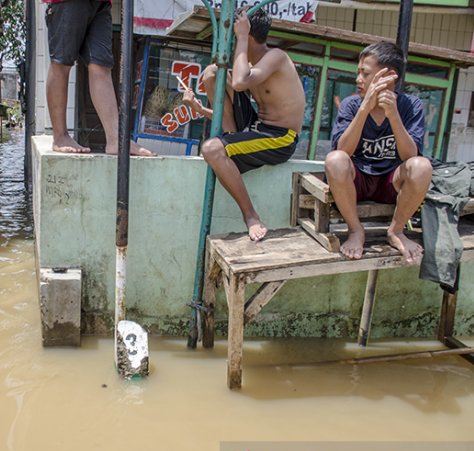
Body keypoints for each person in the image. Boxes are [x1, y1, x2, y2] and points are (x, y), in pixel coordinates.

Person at [182, 8, 305, 241]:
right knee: (211, 74)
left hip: (280, 137)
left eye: (233, 34)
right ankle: (229, 138)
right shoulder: (249, 62)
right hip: (256, 128)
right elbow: (231, 83)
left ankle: (251, 216)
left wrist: (240, 37)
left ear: (246, 33)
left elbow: (239, 82)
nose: (228, 42)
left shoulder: (276, 57)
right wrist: (198, 110)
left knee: (211, 149)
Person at [325, 41, 432, 263]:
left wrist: (393, 115)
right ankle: (356, 230)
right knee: (335, 160)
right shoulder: (351, 104)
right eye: (358, 73)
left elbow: (410, 156)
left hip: (390, 182)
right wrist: (364, 109)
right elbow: (343, 150)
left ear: (389, 75)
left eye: (364, 73)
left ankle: (396, 231)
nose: (358, 79)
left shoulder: (410, 106)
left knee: (422, 166)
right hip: (357, 182)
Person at [43, 0, 155, 156]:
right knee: (61, 63)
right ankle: (60, 137)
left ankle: (116, 140)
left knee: (101, 66)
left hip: (101, 3)